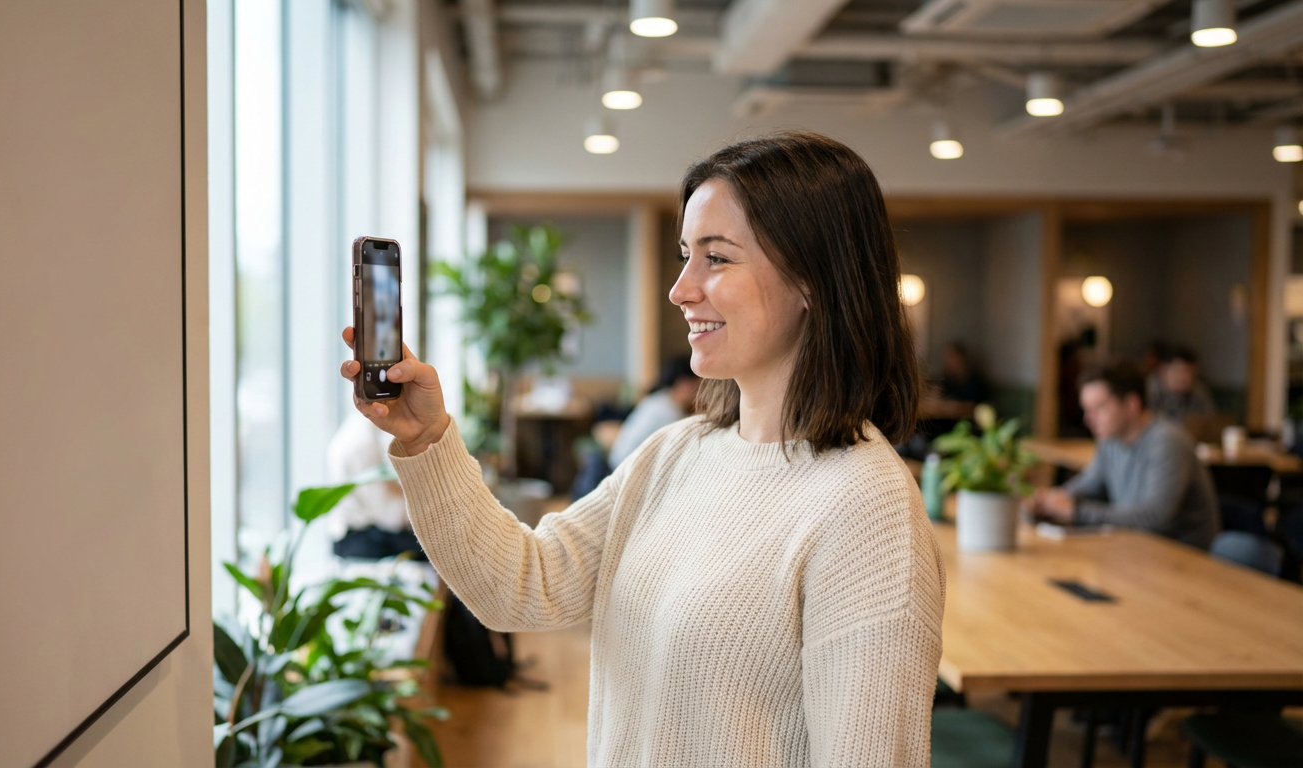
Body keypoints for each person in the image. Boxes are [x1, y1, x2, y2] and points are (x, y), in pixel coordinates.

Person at [340, 131, 944, 766]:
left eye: (717, 258)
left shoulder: (868, 513)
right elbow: (522, 586)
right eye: (685, 255)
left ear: (813, 280)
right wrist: (427, 438)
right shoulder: (677, 453)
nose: (681, 289)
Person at [1032, 363, 1220, 550]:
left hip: (1182, 558)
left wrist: (1076, 512)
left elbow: (1153, 518)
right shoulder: (1110, 439)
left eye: (1099, 408)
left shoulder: (1167, 441)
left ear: (1132, 404)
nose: (1088, 419)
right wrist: (1046, 500)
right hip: (1135, 551)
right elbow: (1087, 485)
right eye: (1086, 410)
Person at [324, 411, 423, 560]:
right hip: (360, 536)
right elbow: (389, 515)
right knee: (437, 547)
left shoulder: (354, 431)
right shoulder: (363, 442)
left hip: (358, 531)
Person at [607, 354, 700, 467]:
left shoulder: (660, 399)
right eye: (698, 384)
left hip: (619, 462)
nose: (700, 392)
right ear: (684, 383)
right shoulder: (668, 412)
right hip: (626, 468)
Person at [1148, 346, 1216, 423]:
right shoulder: (1149, 391)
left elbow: (1211, 420)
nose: (1185, 377)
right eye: (1179, 371)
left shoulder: (1198, 391)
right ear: (1163, 370)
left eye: (1190, 372)